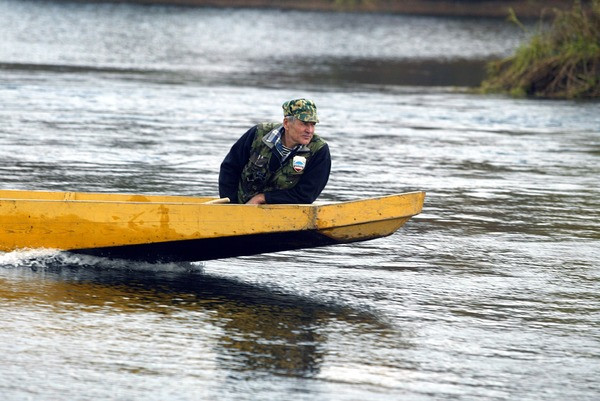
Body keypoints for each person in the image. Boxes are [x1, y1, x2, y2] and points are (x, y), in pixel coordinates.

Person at [219, 98, 331, 204]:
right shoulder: (258, 133)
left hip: (284, 215)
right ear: (286, 123)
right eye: (304, 124)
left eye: (313, 124)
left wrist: (263, 198)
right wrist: (232, 206)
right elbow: (230, 168)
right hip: (239, 206)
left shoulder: (320, 151)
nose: (309, 130)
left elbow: (306, 195)